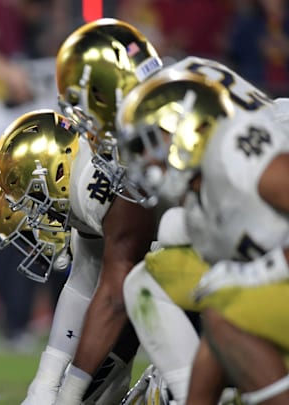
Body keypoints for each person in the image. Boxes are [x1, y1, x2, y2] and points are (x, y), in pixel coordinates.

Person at [116, 59, 289, 403]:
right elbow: (216, 333)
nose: (147, 162)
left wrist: (267, 270)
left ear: (188, 128)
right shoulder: (198, 205)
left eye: (152, 144)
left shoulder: (234, 145)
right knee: (222, 315)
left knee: (229, 311)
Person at [15, 19, 165, 405]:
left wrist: (66, 394)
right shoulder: (135, 129)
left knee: (169, 258)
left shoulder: (118, 160)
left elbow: (114, 292)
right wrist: (47, 383)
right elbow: (83, 282)